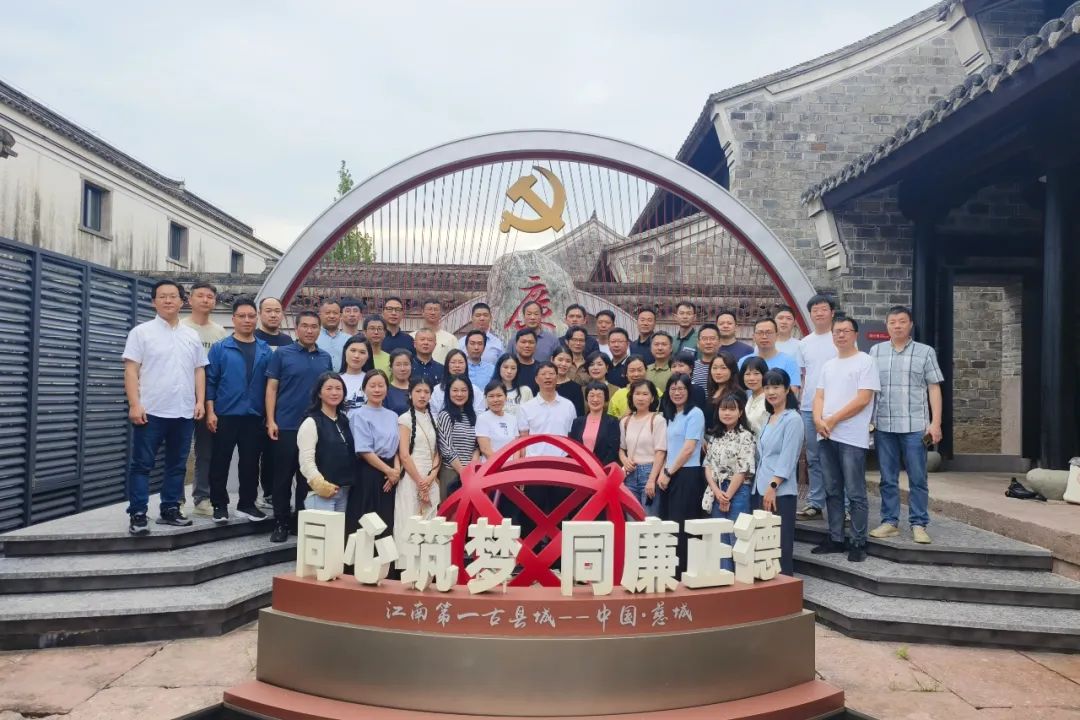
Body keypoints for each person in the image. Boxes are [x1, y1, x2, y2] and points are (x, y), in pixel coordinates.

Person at [122, 280, 206, 535]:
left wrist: (200, 401)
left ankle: (170, 509)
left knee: (177, 465)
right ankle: (138, 513)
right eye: (162, 296)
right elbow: (131, 370)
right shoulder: (141, 332)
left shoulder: (191, 335)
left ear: (182, 301)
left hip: (183, 411)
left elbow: (199, 370)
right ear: (153, 302)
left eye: (173, 296)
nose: (168, 300)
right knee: (142, 464)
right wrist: (135, 404)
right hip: (151, 411)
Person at [869, 306, 944, 544]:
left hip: (915, 426)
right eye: (892, 322)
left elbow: (934, 387)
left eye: (902, 321)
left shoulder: (925, 352)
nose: (897, 326)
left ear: (910, 324)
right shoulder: (876, 351)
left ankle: (919, 523)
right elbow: (870, 389)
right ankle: (889, 522)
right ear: (887, 325)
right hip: (885, 425)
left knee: (918, 478)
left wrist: (935, 423)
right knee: (887, 478)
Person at [812, 315, 880, 563]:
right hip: (826, 435)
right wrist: (818, 420)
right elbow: (819, 396)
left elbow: (863, 399)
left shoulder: (866, 361)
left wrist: (832, 420)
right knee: (832, 490)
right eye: (836, 331)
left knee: (855, 491)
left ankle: (858, 541)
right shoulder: (829, 365)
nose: (840, 335)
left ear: (855, 334)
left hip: (851, 437)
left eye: (845, 331)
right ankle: (836, 537)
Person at [265, 310, 333, 543]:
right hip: (286, 425)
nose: (309, 330)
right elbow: (271, 388)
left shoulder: (325, 358)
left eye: (314, 327)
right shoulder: (283, 354)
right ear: (296, 328)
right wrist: (271, 420)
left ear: (319, 330)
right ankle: (280, 522)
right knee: (283, 477)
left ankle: (301, 521)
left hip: (315, 427)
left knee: (308, 477)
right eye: (305, 326)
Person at [205, 298, 272, 524]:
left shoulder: (265, 350)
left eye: (251, 316)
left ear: (257, 318)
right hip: (225, 413)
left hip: (254, 415)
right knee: (220, 461)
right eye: (242, 316)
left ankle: (247, 504)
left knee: (250, 463)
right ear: (233, 319)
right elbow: (211, 382)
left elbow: (271, 385)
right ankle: (219, 505)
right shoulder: (220, 348)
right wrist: (210, 411)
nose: (247, 320)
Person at [182, 282, 228, 516]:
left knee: (205, 451)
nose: (205, 300)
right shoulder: (180, 327)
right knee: (179, 451)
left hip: (209, 398)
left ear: (215, 302)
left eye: (210, 296)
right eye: (200, 295)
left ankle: (202, 497)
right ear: (190, 300)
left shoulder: (219, 332)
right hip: (181, 397)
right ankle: (176, 500)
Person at [756, 369, 803, 576]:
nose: (771, 392)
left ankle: (784, 589)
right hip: (761, 488)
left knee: (780, 546)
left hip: (779, 492)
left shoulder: (792, 419)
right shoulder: (770, 417)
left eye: (776, 387)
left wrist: (773, 486)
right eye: (767, 387)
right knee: (764, 546)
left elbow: (788, 457)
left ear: (787, 389)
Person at [657, 374, 706, 577]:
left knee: (683, 524)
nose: (677, 393)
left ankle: (684, 572)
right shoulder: (670, 415)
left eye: (681, 389)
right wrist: (663, 471)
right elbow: (668, 448)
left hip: (687, 474)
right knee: (669, 523)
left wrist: (669, 472)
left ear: (689, 391)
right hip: (670, 473)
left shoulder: (695, 413)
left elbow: (688, 449)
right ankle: (670, 571)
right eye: (673, 389)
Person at [796, 294, 839, 520]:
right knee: (813, 457)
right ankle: (815, 502)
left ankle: (843, 505)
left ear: (832, 312)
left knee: (838, 457)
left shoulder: (840, 338)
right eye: (815, 310)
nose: (819, 313)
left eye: (823, 309)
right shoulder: (804, 343)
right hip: (809, 407)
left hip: (836, 408)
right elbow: (803, 376)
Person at [348, 370, 402, 541]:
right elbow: (364, 450)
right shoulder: (357, 414)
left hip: (391, 474)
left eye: (381, 385)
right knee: (367, 518)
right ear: (364, 389)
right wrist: (388, 471)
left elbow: (396, 447)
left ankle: (384, 558)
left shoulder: (393, 415)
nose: (377, 390)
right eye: (372, 386)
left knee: (386, 518)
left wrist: (396, 471)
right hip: (368, 471)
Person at [703, 392, 755, 567]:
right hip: (716, 490)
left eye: (732, 409)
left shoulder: (746, 436)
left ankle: (739, 581)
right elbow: (708, 465)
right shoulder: (715, 436)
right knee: (719, 541)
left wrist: (727, 496)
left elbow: (743, 469)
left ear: (740, 413)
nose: (727, 413)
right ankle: (724, 578)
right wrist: (717, 492)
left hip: (738, 491)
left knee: (737, 539)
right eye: (723, 409)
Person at [518, 363, 577, 514]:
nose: (548, 377)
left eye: (551, 373)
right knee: (533, 512)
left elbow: (572, 437)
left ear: (557, 377)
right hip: (534, 466)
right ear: (536, 379)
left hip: (561, 465)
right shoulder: (526, 407)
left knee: (560, 512)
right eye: (543, 374)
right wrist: (522, 471)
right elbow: (523, 441)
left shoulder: (568, 405)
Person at [297, 373, 355, 514]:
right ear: (319, 393)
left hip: (343, 491)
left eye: (338, 388)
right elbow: (306, 462)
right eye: (329, 388)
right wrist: (321, 486)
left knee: (339, 529)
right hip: (321, 494)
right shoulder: (311, 422)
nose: (334, 393)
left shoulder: (344, 420)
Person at [254, 296, 291, 509]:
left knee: (274, 453)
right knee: (253, 454)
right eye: (268, 311)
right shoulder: (252, 337)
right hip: (254, 405)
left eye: (277, 311)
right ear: (260, 314)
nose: (273, 315)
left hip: (281, 407)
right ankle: (250, 496)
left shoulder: (288, 342)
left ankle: (270, 493)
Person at [396, 377, 441, 535]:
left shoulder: (434, 419)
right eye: (418, 391)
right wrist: (420, 483)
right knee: (409, 522)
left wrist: (431, 477)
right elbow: (404, 455)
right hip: (411, 477)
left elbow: (438, 452)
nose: (422, 395)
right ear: (410, 394)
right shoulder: (404, 419)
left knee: (430, 525)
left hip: (430, 479)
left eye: (426, 392)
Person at [619, 379, 665, 516]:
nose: (640, 398)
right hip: (630, 475)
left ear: (652, 398)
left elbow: (661, 452)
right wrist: (625, 460)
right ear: (631, 397)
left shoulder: (657, 420)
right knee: (632, 520)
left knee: (649, 520)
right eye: (637, 393)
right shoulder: (625, 421)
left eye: (645, 394)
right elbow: (621, 448)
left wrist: (652, 480)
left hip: (649, 472)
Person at [436, 376, 480, 499]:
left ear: (469, 392)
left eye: (463, 390)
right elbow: (446, 449)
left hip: (471, 474)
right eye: (455, 390)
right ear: (448, 392)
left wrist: (472, 469)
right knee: (451, 510)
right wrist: (463, 472)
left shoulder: (473, 416)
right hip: (452, 472)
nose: (459, 394)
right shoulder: (445, 415)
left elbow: (477, 446)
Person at [739, 318, 801, 393]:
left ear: (777, 335)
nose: (764, 336)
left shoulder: (789, 361)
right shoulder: (743, 361)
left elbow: (793, 390)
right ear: (753, 337)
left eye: (769, 332)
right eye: (760, 333)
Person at [570, 381, 621, 466]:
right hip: (581, 467)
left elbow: (613, 450)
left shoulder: (612, 422)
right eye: (592, 395)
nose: (595, 399)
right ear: (586, 398)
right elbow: (573, 447)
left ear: (605, 399)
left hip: (603, 468)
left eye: (599, 396)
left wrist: (600, 468)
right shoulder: (577, 422)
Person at [476, 381, 528, 460]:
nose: (495, 400)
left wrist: (513, 464)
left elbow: (516, 447)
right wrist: (501, 465)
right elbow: (485, 449)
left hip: (512, 466)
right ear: (486, 398)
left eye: (499, 395)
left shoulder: (512, 419)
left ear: (506, 397)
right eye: (491, 396)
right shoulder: (482, 418)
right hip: (492, 465)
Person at [431, 349, 485, 415]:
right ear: (447, 365)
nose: (457, 366)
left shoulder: (475, 390)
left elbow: (480, 413)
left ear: (466, 365)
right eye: (453, 362)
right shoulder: (437, 390)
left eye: (460, 362)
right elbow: (433, 413)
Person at [706, 352, 743, 433]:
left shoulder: (737, 393)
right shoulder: (712, 391)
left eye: (723, 368)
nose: (718, 372)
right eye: (714, 368)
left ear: (732, 370)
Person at [414, 298, 457, 363]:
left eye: (436, 310)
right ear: (422, 312)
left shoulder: (451, 339)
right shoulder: (412, 336)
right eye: (429, 309)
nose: (433, 313)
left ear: (441, 313)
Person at [670, 351, 709, 419]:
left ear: (690, 369)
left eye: (681, 365)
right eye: (674, 366)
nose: (677, 370)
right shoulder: (669, 389)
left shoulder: (697, 390)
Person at [740, 356, 770, 436]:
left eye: (756, 373)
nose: (752, 378)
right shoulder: (751, 398)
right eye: (747, 374)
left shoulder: (770, 400)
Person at [552, 345, 585, 416]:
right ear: (552, 359)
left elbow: (579, 415)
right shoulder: (544, 384)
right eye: (560, 360)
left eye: (568, 361)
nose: (564, 364)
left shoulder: (576, 388)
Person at [339, 336, 369, 410]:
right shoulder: (335, 379)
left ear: (368, 356)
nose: (356, 356)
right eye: (353, 350)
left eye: (362, 352)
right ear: (345, 351)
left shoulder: (371, 380)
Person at [692, 323, 722, 389]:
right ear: (698, 343)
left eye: (712, 338)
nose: (708, 342)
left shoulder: (726, 366)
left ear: (720, 342)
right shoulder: (692, 367)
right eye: (704, 339)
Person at [385, 349, 414, 415]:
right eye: (398, 365)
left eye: (406, 364)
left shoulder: (418, 389)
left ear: (411, 366)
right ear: (391, 367)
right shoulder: (385, 391)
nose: (402, 369)